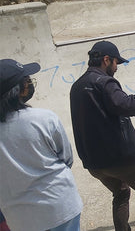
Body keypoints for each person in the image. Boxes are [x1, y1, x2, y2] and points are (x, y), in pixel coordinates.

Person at [70, 41, 135, 231]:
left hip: (95, 163)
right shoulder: (105, 82)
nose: (116, 68)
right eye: (116, 62)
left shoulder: (77, 86)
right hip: (122, 160)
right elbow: (123, 105)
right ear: (106, 59)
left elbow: (114, 104)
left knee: (120, 193)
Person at [0, 59, 83, 231]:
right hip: (60, 207)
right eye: (27, 80)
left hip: (20, 218)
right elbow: (67, 158)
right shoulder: (44, 118)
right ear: (20, 89)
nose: (29, 84)